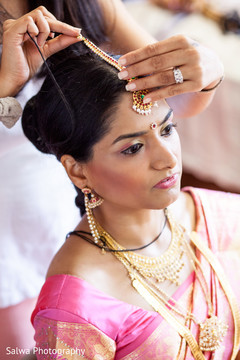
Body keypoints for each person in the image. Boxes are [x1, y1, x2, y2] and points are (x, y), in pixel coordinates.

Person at [0, 0, 224, 357]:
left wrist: (207, 70)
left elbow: (175, 101)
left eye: (168, 132)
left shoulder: (80, 3)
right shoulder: (70, 302)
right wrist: (3, 90)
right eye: (134, 146)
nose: (168, 159)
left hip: (86, 195)